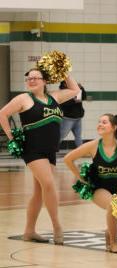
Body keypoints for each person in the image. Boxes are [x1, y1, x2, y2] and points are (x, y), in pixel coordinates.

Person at [0, 68, 80, 244]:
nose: (32, 80)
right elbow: (2, 114)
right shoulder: (23, 98)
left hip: (50, 150)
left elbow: (75, 90)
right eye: (29, 78)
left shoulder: (55, 97)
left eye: (36, 78)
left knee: (38, 192)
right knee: (50, 184)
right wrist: (12, 137)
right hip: (33, 150)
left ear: (45, 81)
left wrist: (64, 70)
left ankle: (29, 231)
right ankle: (57, 226)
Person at [64, 114, 117, 253]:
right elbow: (68, 159)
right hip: (98, 188)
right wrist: (82, 178)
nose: (100, 124)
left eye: (104, 122)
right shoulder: (93, 145)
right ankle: (114, 242)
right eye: (99, 122)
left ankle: (110, 233)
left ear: (114, 127)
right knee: (112, 204)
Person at [59, 81, 86, 147]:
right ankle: (52, 150)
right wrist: (75, 99)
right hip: (67, 119)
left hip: (78, 118)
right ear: (66, 84)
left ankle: (81, 151)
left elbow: (83, 97)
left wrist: (81, 88)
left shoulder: (75, 91)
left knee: (78, 136)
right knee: (61, 136)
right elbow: (65, 104)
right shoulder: (62, 93)